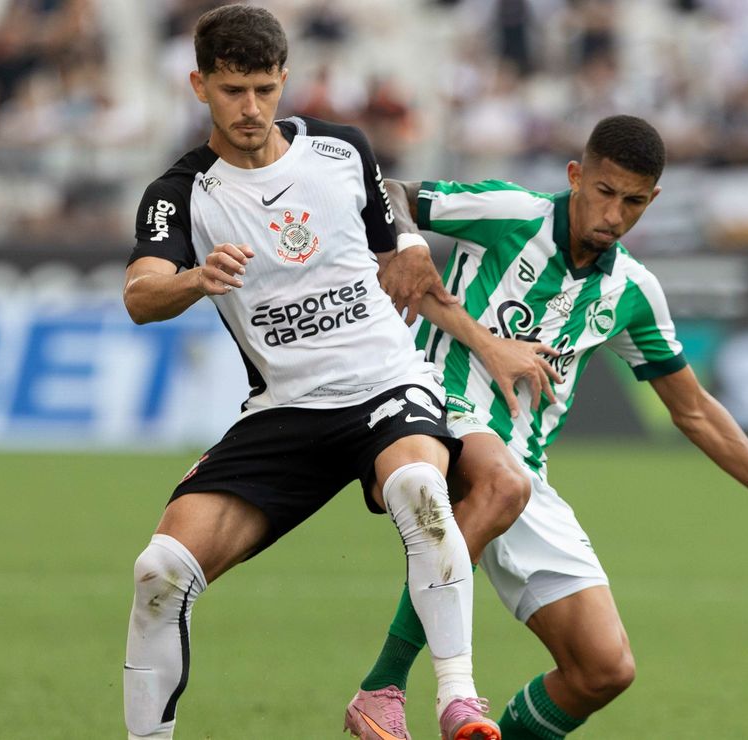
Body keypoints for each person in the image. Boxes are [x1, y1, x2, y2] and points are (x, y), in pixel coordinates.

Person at [345, 115, 748, 739]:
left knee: (603, 668)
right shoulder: (512, 212)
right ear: (575, 176)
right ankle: (386, 684)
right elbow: (384, 191)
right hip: (438, 407)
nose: (614, 214)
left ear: (653, 200)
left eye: (633, 201)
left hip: (522, 463)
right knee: (502, 486)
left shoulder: (632, 290)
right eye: (605, 192)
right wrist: (432, 275)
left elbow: (694, 410)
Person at [121, 6, 510, 739]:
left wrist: (418, 255)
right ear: (198, 83)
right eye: (233, 90)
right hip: (285, 409)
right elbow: (141, 295)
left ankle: (456, 698)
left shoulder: (340, 152)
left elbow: (402, 252)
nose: (251, 108)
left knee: (420, 489)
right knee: (160, 571)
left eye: (265, 89)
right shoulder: (180, 195)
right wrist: (196, 279)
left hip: (386, 384)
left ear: (285, 80)